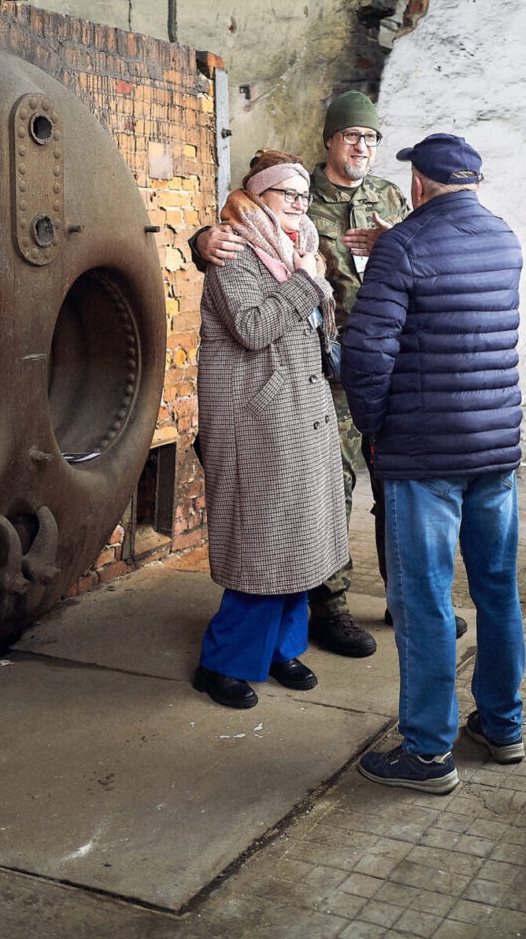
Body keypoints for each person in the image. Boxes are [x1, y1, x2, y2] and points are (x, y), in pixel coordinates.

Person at [195, 92, 465, 659]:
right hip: (326, 374)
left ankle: (408, 598)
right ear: (330, 141)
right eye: (351, 136)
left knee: (400, 489)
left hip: (389, 369)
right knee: (327, 493)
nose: (361, 146)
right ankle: (329, 607)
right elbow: (235, 236)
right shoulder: (293, 200)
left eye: (370, 138)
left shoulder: (388, 197)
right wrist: (199, 242)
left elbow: (427, 263)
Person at [342, 133, 524, 794]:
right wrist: (401, 241)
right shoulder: (503, 239)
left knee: (422, 603)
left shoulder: (404, 247)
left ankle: (426, 753)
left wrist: (372, 429)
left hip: (422, 456)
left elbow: (365, 355)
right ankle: (502, 727)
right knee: (496, 592)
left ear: (418, 185)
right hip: (494, 449)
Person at [191, 149, 348, 710]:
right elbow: (254, 328)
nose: (300, 205)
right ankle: (223, 663)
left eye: (305, 196)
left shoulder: (300, 248)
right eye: (288, 195)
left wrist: (310, 276)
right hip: (256, 424)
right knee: (263, 547)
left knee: (301, 542)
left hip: (299, 419)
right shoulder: (233, 252)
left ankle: (280, 650)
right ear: (259, 195)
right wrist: (309, 283)